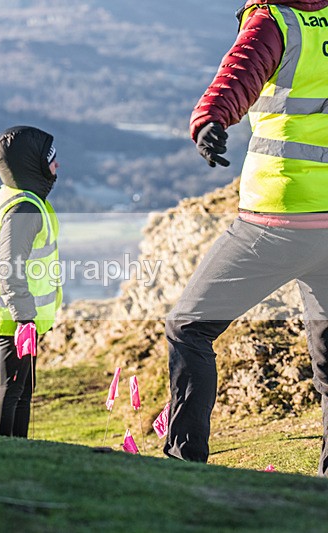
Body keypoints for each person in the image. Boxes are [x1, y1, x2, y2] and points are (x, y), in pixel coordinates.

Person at [165, 0, 328, 474]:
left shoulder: (276, 20)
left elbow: (240, 72)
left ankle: (183, 462)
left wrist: (209, 121)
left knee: (189, 327)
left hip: (279, 217)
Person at [0, 126, 62, 437]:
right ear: (32, 165)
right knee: (12, 389)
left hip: (18, 315)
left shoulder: (12, 197)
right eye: (50, 159)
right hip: (16, 317)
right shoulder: (23, 208)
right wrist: (24, 317)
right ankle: (2, 454)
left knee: (22, 388)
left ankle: (18, 450)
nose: (56, 165)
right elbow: (10, 267)